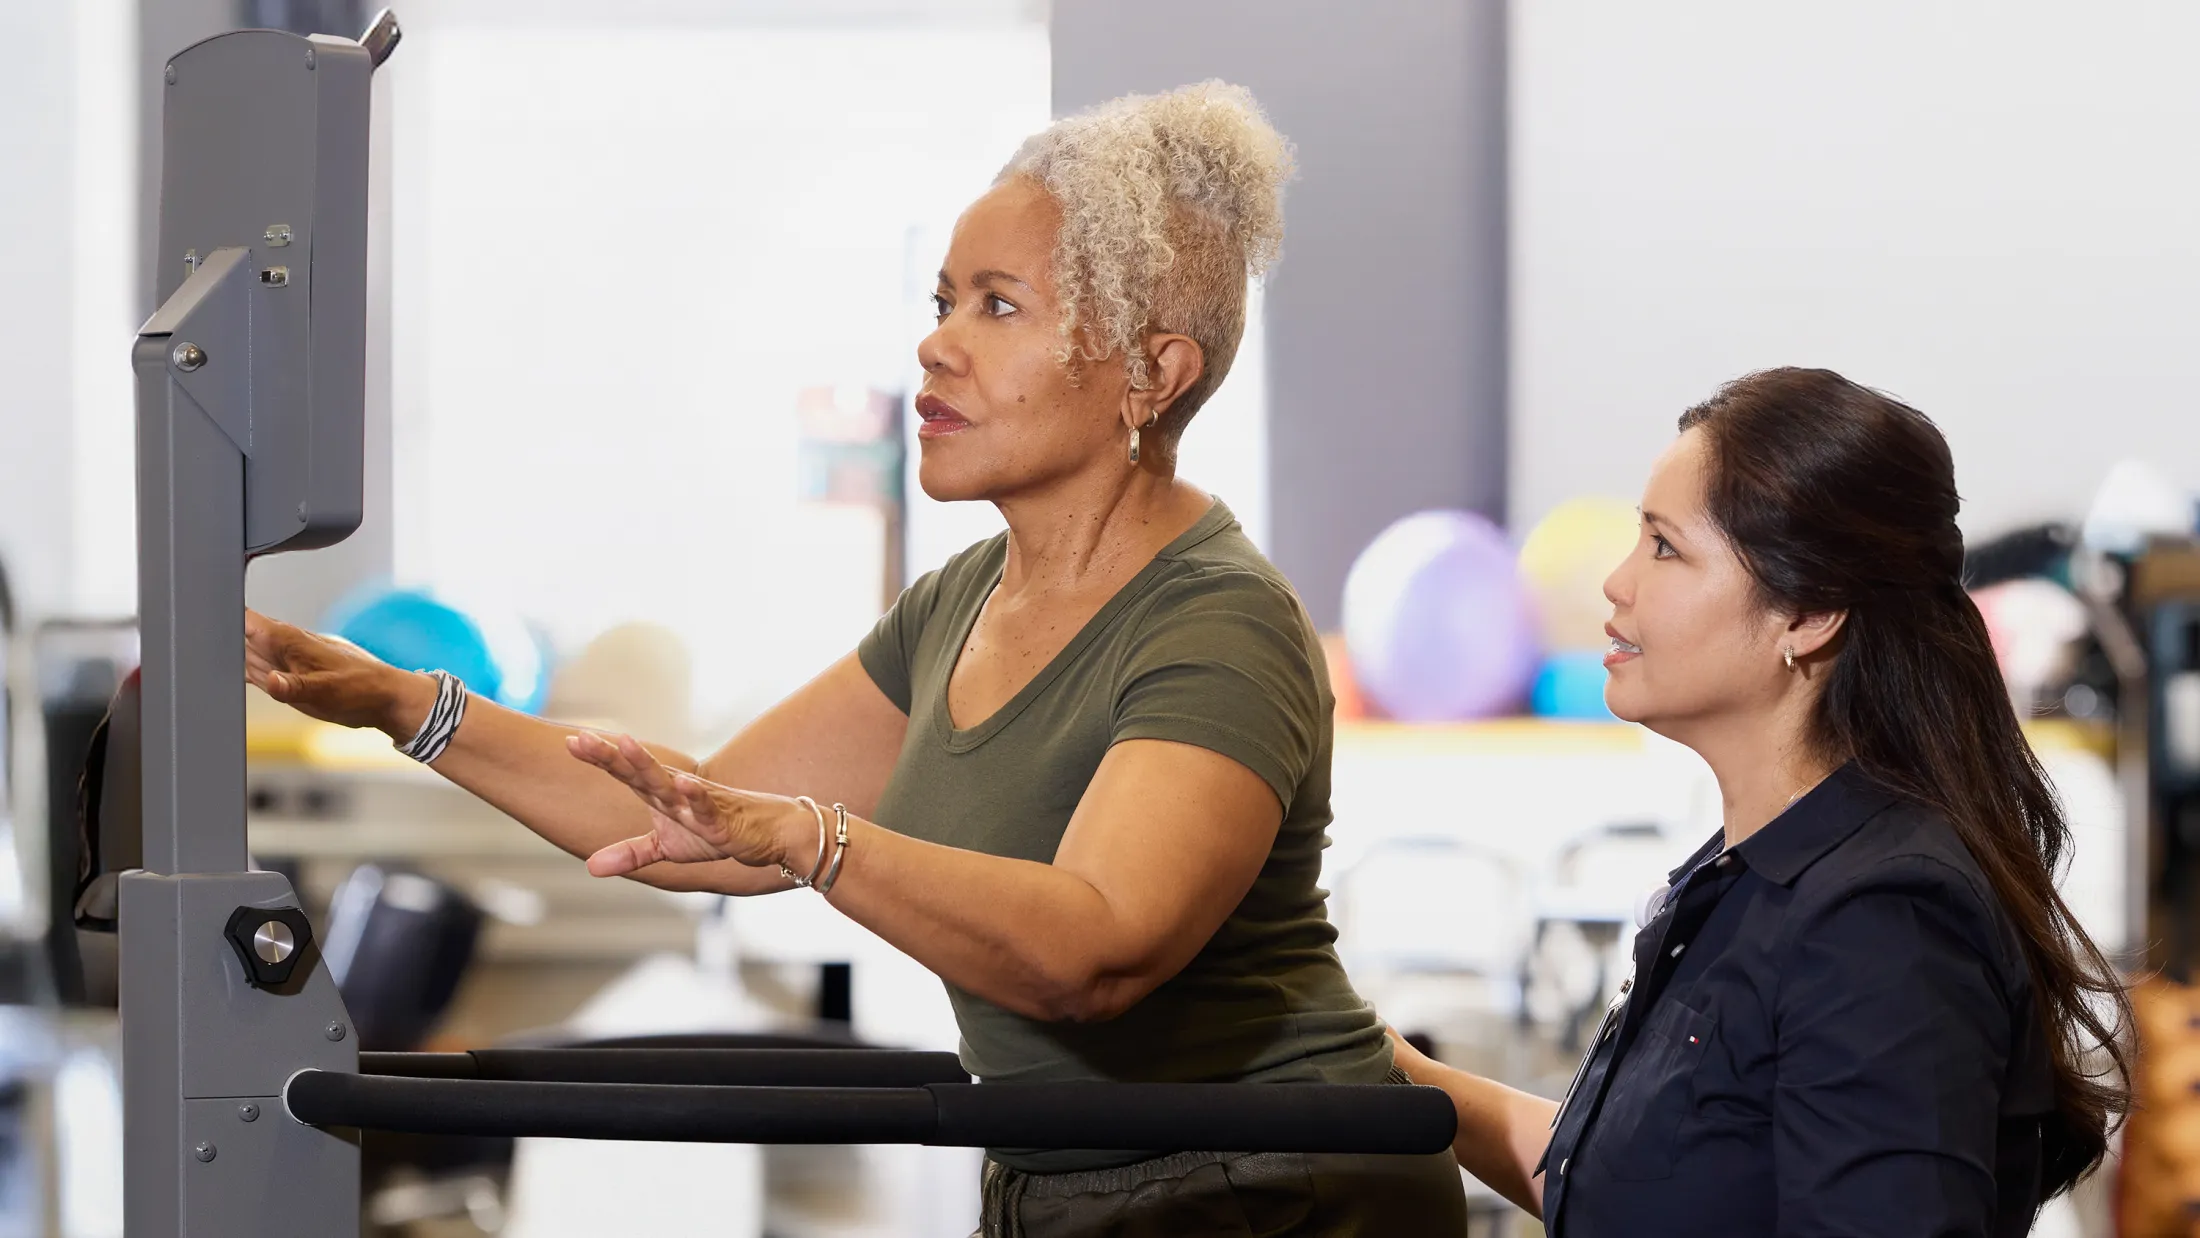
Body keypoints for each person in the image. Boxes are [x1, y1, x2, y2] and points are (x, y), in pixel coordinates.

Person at [244, 82, 1466, 1236]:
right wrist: (402, 703)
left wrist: (821, 840)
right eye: (941, 302)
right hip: (1065, 1173)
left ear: (1152, 371)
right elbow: (690, 819)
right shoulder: (960, 602)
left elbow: (1091, 951)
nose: (936, 346)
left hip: (1278, 1183)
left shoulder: (1216, 620)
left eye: (998, 305)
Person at [1391, 367, 2131, 1235]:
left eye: (1665, 547)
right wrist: (1381, 1065)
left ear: (1809, 613)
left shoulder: (1885, 921)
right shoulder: (1743, 878)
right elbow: (1620, 1188)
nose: (1617, 583)